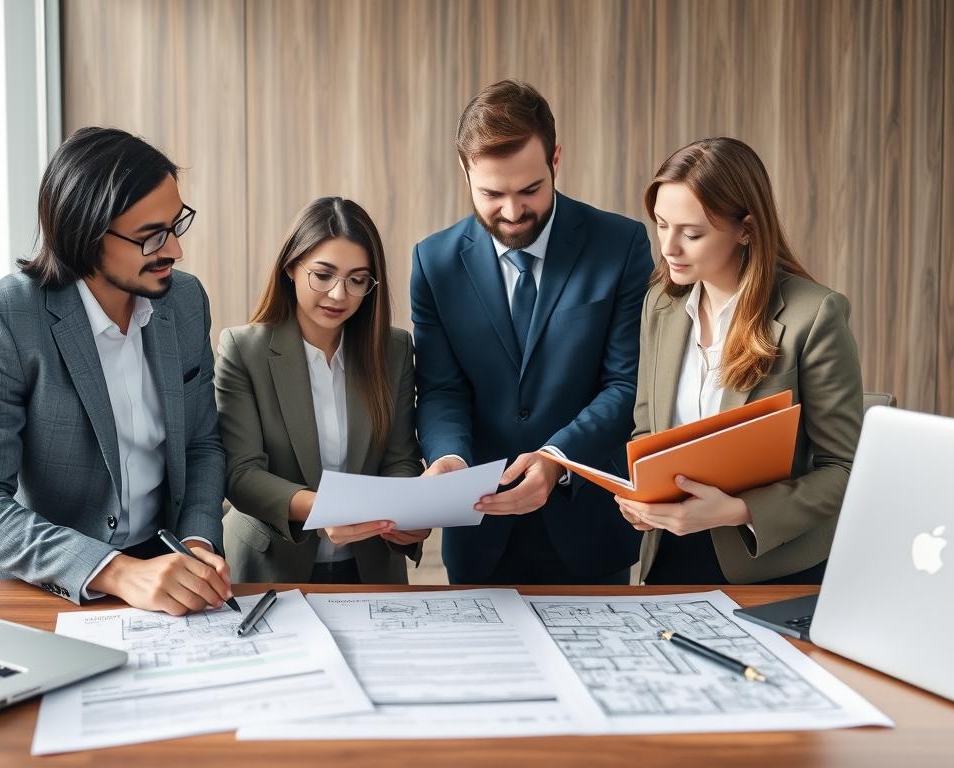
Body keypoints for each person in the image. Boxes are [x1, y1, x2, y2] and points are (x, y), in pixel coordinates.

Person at [0, 127, 233, 615]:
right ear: (86, 235)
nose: (175, 252)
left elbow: (202, 444)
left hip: (161, 573)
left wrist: (198, 544)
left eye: (175, 226)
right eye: (151, 237)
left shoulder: (184, 302)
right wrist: (115, 570)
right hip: (36, 582)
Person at [411, 80, 652, 584]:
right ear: (465, 171)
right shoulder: (433, 262)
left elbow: (626, 384)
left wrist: (557, 458)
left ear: (555, 159)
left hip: (591, 531)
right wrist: (450, 458)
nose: (513, 212)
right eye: (491, 194)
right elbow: (441, 388)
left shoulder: (621, 244)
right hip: (479, 531)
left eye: (529, 190)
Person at [619, 137, 864, 585]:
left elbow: (844, 470)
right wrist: (642, 495)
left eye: (692, 233)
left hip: (769, 564)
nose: (669, 247)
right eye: (660, 225)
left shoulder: (814, 315)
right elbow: (646, 430)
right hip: (668, 556)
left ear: (746, 230)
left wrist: (738, 510)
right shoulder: (660, 305)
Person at [216, 197, 428, 584]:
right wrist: (326, 508)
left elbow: (401, 459)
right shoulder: (244, 350)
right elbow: (242, 473)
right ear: (291, 267)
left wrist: (405, 514)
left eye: (357, 279)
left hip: (370, 568)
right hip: (268, 569)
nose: (338, 295)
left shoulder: (393, 350)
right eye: (323, 275)